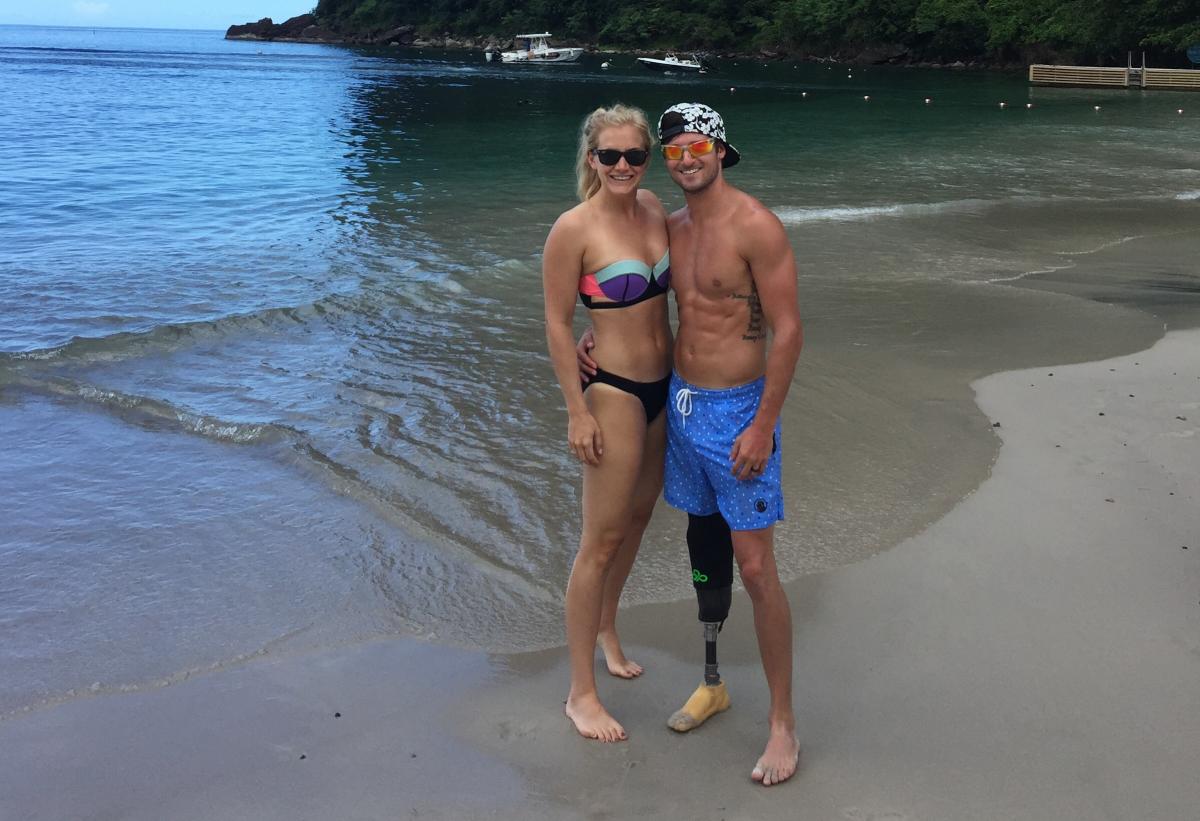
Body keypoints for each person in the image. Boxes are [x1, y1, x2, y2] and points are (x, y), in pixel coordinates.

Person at [580, 102, 804, 785]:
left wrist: (763, 424)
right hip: (680, 405)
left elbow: (789, 330)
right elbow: (637, 295)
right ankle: (712, 681)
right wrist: (598, 336)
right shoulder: (669, 228)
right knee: (701, 545)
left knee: (758, 566)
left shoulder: (755, 226)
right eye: (673, 150)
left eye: (696, 146)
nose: (686, 159)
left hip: (738, 412)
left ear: (721, 149)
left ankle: (782, 725)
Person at [542, 104, 672, 743]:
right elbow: (557, 321)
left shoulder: (653, 211)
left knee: (640, 519)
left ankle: (607, 626)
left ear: (648, 159)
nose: (623, 167)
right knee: (600, 538)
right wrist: (575, 408)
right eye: (610, 156)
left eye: (634, 155)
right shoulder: (574, 228)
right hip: (613, 393)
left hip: (663, 389)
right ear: (591, 159)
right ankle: (580, 693)